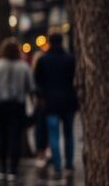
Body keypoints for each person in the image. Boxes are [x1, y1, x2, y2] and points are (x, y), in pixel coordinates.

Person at [0, 38, 35, 181]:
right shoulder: (23, 67)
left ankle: (2, 168)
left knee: (2, 136)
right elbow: (31, 87)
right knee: (15, 137)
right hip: (17, 105)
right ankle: (13, 169)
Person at [33, 33, 78, 176]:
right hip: (68, 102)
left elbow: (38, 82)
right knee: (68, 133)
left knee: (53, 134)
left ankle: (58, 164)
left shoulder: (43, 60)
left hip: (50, 102)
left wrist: (41, 97)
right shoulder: (70, 59)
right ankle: (69, 164)